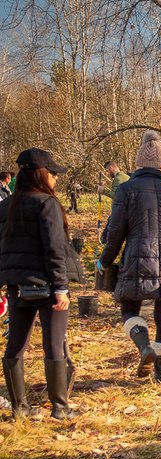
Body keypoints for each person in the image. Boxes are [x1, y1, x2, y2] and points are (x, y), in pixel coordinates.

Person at [99, 130, 161, 384]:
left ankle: (143, 347)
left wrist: (105, 260)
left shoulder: (126, 189)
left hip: (136, 259)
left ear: (139, 162)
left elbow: (115, 232)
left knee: (129, 309)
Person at [0, 148, 78, 420]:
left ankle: (20, 407)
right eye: (53, 173)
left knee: (15, 345)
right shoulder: (47, 204)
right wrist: (61, 287)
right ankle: (60, 407)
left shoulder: (6, 206)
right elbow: (54, 248)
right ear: (41, 174)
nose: (56, 178)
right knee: (54, 345)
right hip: (47, 285)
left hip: (18, 286)